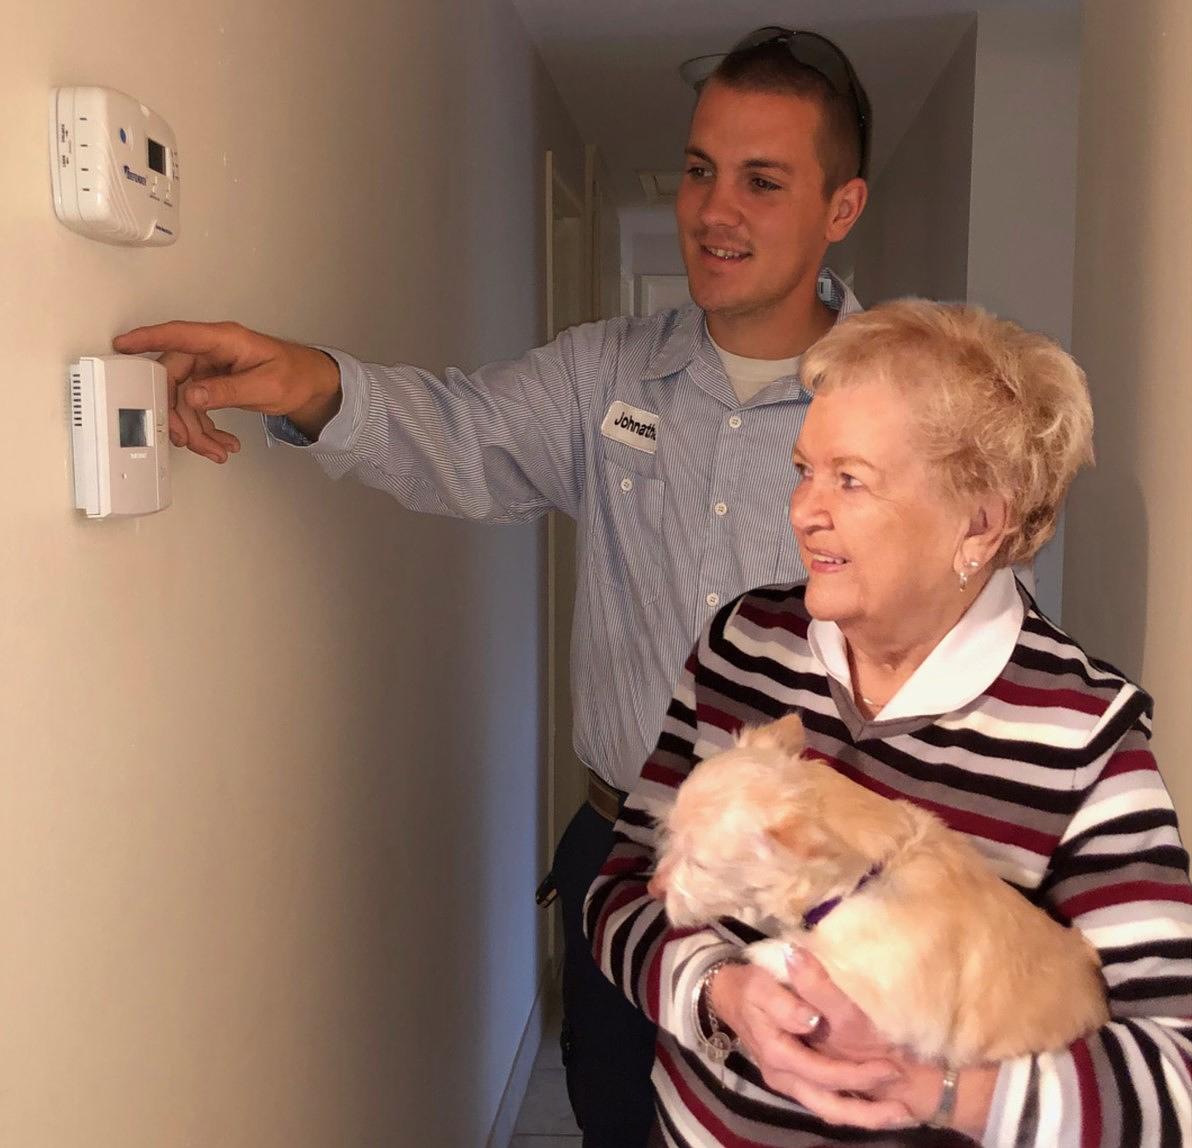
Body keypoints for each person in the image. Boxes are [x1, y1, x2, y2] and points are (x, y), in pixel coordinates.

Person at [112, 29, 873, 1147]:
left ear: (839, 208)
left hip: (820, 887)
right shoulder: (604, 373)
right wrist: (308, 380)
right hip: (626, 853)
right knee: (616, 1117)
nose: (715, 209)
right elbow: (461, 431)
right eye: (702, 168)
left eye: (763, 180)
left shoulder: (909, 400)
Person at [586, 299, 1192, 1147]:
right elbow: (618, 890)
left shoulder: (1083, 734)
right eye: (805, 469)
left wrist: (934, 1088)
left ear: (979, 522)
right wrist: (719, 994)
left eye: (850, 478)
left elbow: (1174, 1083)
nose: (802, 510)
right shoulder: (743, 648)